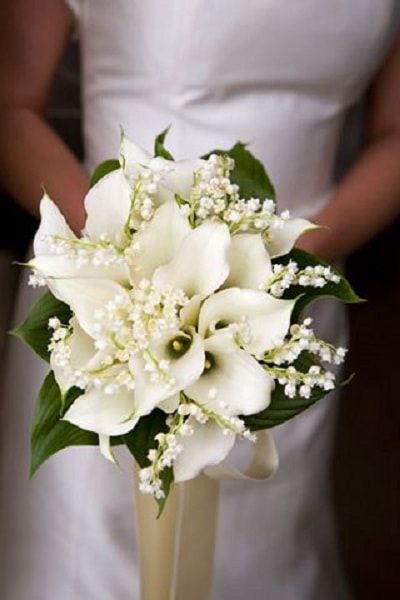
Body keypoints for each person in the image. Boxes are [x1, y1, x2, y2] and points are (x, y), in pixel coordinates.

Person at [0, 2, 399, 598]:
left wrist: (295, 258)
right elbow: (11, 104)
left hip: (292, 312)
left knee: (268, 557)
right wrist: (128, 260)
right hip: (115, 307)